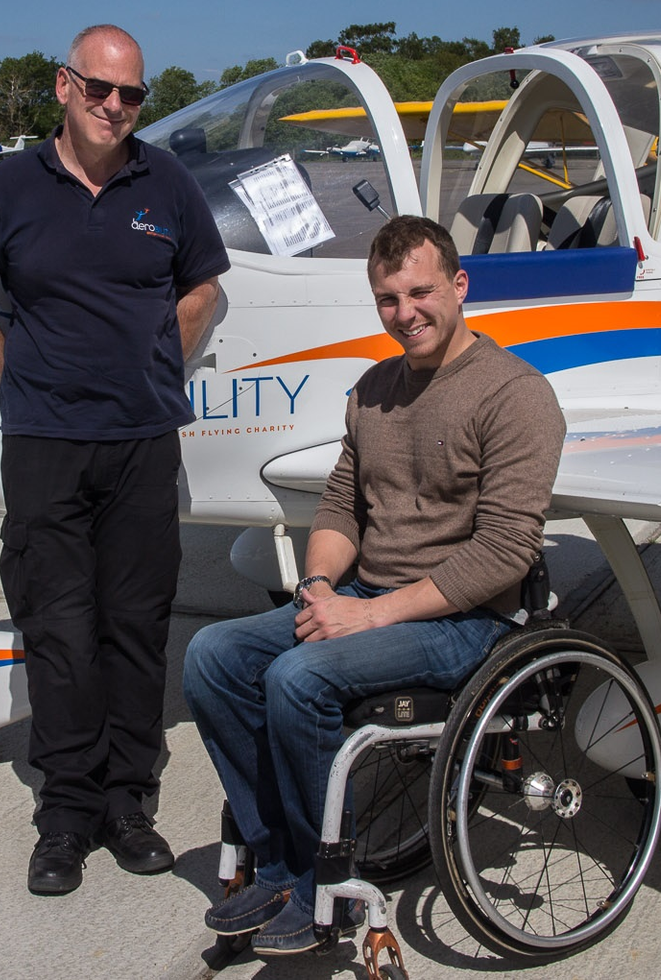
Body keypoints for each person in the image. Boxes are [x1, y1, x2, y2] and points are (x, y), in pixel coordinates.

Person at [182, 214, 564, 955]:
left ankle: (330, 882)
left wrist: (372, 616)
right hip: (371, 600)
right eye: (388, 299)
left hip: (466, 620)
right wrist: (321, 583)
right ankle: (284, 862)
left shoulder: (515, 394)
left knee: (297, 677)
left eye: (420, 292)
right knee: (213, 656)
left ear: (459, 286)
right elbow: (339, 506)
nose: (405, 313)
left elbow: (506, 552)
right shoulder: (374, 390)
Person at [0, 24, 230, 896]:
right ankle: (64, 815)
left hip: (142, 444)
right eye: (100, 89)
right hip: (44, 449)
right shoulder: (6, 189)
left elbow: (205, 287)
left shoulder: (165, 182)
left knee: (135, 630)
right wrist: (28, 378)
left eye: (131, 94)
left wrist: (153, 365)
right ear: (64, 87)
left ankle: (129, 803)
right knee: (59, 631)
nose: (115, 106)